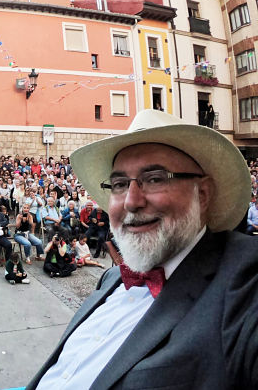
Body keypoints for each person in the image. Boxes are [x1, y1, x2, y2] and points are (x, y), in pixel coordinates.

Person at [29, 109, 256, 389]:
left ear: (203, 194)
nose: (131, 201)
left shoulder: (245, 281)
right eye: (119, 184)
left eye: (155, 179)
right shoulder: (111, 279)